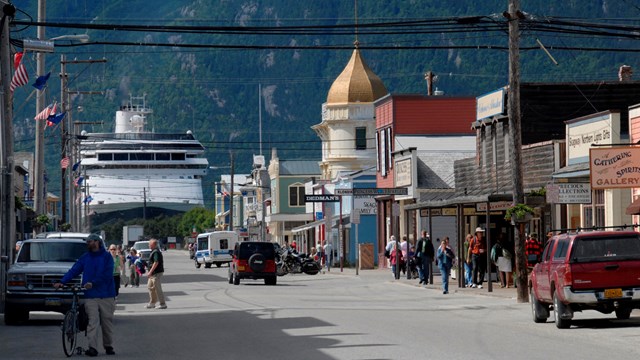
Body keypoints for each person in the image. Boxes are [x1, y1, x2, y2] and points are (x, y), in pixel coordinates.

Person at [53, 234, 116, 357]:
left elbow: (107, 274)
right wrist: (62, 282)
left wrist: (93, 283)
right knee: (92, 322)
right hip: (90, 295)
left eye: (90, 241)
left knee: (106, 322)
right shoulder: (85, 257)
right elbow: (74, 270)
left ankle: (108, 345)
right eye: (87, 242)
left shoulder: (107, 257)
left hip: (106, 294)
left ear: (97, 242)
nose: (88, 244)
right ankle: (92, 348)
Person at [145, 238, 167, 309]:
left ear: (153, 245)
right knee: (150, 287)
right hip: (153, 273)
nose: (148, 245)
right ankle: (152, 303)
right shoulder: (153, 251)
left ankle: (162, 304)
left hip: (156, 273)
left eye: (149, 244)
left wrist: (150, 272)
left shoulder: (156, 252)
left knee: (157, 288)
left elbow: (156, 262)